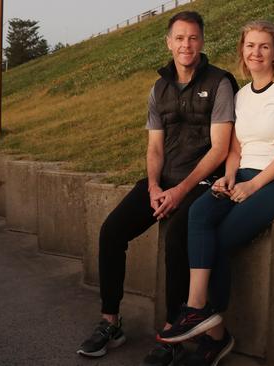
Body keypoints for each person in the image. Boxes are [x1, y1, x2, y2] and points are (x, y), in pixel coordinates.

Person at [76, 11, 238, 365]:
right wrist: (152, 187)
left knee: (177, 237)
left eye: (193, 38)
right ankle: (110, 323)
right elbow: (154, 148)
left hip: (201, 182)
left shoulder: (221, 82)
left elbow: (220, 149)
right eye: (179, 38)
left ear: (203, 42)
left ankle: (171, 334)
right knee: (111, 231)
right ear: (168, 42)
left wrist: (181, 190)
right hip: (161, 182)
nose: (186, 45)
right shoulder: (159, 87)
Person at [156, 20, 274, 365]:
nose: (256, 52)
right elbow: (235, 151)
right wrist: (227, 178)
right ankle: (198, 309)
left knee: (222, 237)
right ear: (242, 51)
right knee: (198, 213)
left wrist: (254, 185)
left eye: (264, 46)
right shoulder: (240, 95)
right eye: (250, 46)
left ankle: (211, 329)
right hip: (240, 174)